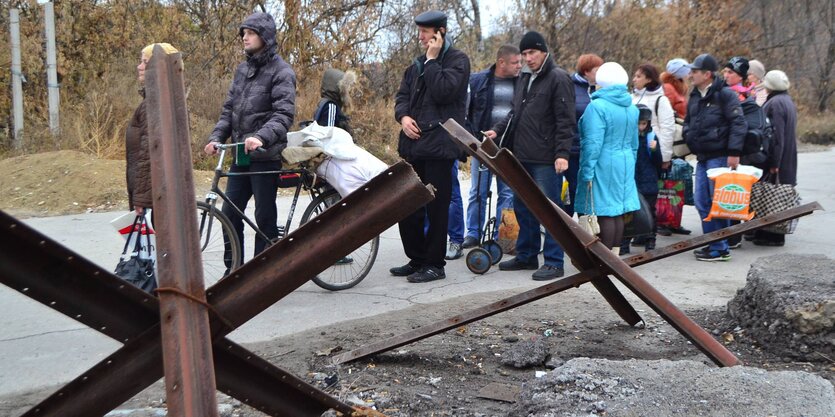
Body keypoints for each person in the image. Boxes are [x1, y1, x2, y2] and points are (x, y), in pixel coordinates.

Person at [204, 12, 296, 267]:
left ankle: (263, 271)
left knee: (263, 215)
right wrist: (216, 138)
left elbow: (283, 115)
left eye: (251, 33)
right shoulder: (242, 70)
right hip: (241, 154)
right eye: (243, 33)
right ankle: (234, 270)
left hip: (265, 155)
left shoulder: (282, 72)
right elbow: (228, 111)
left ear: (264, 37)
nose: (245, 37)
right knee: (230, 213)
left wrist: (260, 137)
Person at [485, 31, 575, 281]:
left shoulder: (558, 78)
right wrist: (498, 130)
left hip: (547, 159)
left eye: (532, 53)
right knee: (522, 207)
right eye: (524, 54)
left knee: (550, 210)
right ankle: (527, 255)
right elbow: (515, 112)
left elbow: (565, 120)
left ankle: (555, 262)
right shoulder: (525, 77)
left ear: (544, 51)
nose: (528, 58)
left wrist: (562, 154)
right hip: (522, 155)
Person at [390, 10, 470, 283]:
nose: (421, 37)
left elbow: (445, 92)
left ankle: (435, 264)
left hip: (440, 147)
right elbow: (401, 97)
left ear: (440, 33)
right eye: (420, 32)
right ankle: (417, 258)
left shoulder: (457, 60)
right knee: (407, 205)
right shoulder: (414, 66)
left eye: (426, 32)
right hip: (413, 147)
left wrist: (433, 61)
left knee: (436, 207)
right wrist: (404, 117)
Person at [682, 53, 747, 262]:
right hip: (702, 156)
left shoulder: (725, 95)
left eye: (695, 71)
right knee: (702, 201)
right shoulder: (694, 95)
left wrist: (734, 153)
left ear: (707, 74)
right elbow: (688, 122)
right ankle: (714, 244)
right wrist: (688, 136)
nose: (691, 74)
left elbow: (739, 123)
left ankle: (719, 247)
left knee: (717, 204)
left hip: (720, 157)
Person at [460, 44, 522, 249]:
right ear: (501, 62)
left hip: (509, 147)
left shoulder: (522, 83)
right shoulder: (479, 81)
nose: (519, 66)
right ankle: (473, 233)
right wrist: (472, 139)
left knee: (507, 193)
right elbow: (467, 111)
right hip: (483, 145)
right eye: (515, 62)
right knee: (478, 190)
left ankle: (502, 237)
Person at [574, 62, 640, 252]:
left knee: (603, 211)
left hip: (603, 163)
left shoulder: (597, 107)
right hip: (624, 162)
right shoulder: (631, 107)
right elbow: (634, 144)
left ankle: (602, 258)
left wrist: (586, 171)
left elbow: (592, 144)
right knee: (617, 211)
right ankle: (615, 255)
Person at [125, 43, 180, 217]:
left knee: (162, 242)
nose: (139, 67)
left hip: (157, 195)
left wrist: (141, 198)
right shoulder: (158, 97)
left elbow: (148, 153)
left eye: (144, 62)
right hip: (157, 193)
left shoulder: (155, 102)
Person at [753, 70, 797, 247]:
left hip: (779, 157)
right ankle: (771, 233)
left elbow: (776, 135)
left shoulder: (775, 103)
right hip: (788, 155)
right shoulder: (787, 101)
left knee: (771, 195)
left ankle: (770, 235)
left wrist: (774, 162)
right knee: (779, 195)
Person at [619, 104, 662, 254]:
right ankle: (624, 243)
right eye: (638, 123)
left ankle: (650, 240)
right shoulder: (626, 138)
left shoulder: (651, 138)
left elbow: (658, 162)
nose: (640, 127)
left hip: (648, 181)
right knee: (627, 213)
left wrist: (655, 150)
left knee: (649, 211)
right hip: (631, 180)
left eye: (643, 123)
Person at [566, 53, 604, 218]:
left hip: (591, 149)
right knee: (574, 189)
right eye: (597, 70)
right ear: (586, 71)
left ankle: (584, 228)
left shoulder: (598, 89)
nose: (600, 74)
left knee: (588, 191)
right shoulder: (571, 88)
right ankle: (568, 228)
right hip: (574, 148)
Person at [312, 68, 356, 134]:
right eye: (346, 88)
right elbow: (329, 134)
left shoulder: (325, 103)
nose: (348, 91)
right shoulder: (331, 106)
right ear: (339, 88)